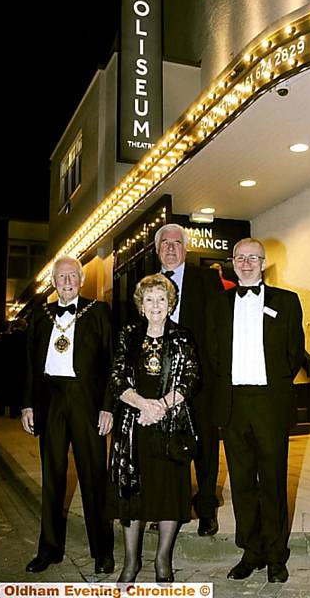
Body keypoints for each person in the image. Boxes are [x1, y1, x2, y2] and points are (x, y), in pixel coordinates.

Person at [207, 237, 305, 583]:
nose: (246, 262)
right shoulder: (218, 304)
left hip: (270, 404)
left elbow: (295, 352)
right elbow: (213, 353)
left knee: (274, 482)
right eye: (240, 257)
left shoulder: (287, 301)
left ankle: (277, 555)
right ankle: (252, 551)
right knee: (243, 482)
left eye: (253, 257)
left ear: (263, 262)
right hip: (233, 404)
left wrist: (274, 385)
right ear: (232, 262)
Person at [21, 256, 114, 575]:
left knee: (94, 477)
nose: (67, 281)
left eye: (72, 276)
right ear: (54, 282)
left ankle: (102, 550)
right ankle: (49, 549)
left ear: (81, 279)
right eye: (61, 277)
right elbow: (31, 364)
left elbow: (111, 363)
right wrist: (28, 404)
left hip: (86, 401)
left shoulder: (99, 311)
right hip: (50, 401)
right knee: (52, 478)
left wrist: (108, 406)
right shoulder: (40, 314)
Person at [107, 274, 199, 583]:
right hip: (133, 426)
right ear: (141, 304)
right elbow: (117, 377)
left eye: (161, 299)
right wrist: (143, 405)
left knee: (169, 493)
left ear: (170, 303)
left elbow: (190, 378)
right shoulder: (128, 335)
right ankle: (131, 562)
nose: (156, 305)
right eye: (150, 299)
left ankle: (162, 560)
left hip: (170, 425)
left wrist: (161, 406)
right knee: (131, 494)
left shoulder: (182, 336)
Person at [154, 223, 223, 536]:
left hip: (201, 380)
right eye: (165, 243)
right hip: (160, 381)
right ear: (157, 250)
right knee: (166, 446)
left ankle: (206, 508)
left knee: (205, 445)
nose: (170, 248)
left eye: (177, 242)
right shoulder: (148, 283)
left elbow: (222, 327)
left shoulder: (206, 278)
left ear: (186, 248)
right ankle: (170, 508)